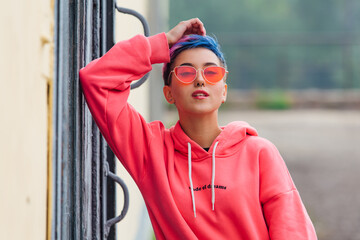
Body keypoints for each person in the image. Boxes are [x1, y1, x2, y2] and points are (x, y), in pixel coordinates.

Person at [79, 18, 317, 239]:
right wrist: (162, 43)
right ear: (169, 93)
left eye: (211, 72)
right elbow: (98, 79)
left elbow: (292, 229)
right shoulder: (150, 151)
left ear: (224, 91)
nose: (200, 80)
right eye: (186, 72)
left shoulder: (259, 153)